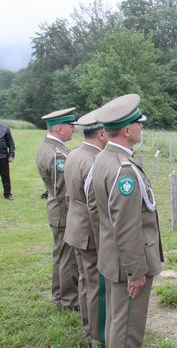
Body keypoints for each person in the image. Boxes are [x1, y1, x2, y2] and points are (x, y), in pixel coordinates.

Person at [93, 94, 163, 348]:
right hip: (127, 266)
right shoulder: (124, 171)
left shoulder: (103, 158)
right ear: (127, 129)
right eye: (138, 123)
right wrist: (135, 272)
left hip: (113, 258)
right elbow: (127, 226)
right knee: (127, 332)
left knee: (116, 321)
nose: (141, 127)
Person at [63, 109, 107, 347]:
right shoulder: (93, 162)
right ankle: (97, 335)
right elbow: (95, 207)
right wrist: (104, 240)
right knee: (96, 284)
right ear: (101, 134)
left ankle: (87, 326)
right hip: (90, 232)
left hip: (76, 226)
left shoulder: (75, 153)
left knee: (84, 280)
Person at [35, 107, 79, 310]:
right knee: (67, 258)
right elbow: (63, 191)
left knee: (60, 255)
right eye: (71, 126)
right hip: (63, 212)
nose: (74, 130)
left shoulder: (48, 147)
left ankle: (59, 294)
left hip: (56, 210)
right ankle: (69, 300)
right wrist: (74, 217)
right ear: (61, 129)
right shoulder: (57, 155)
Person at [0, 121, 15, 200]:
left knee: (5, 177)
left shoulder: (5, 128)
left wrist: (11, 155)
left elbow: (11, 143)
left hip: (3, 157)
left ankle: (7, 194)